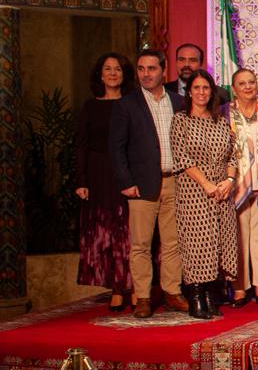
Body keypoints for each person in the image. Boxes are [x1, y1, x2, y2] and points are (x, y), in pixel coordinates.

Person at [109, 49, 185, 319]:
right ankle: (142, 297)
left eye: (151, 68)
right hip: (141, 186)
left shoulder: (178, 102)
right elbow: (116, 149)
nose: (146, 74)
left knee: (173, 242)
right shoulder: (127, 104)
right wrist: (126, 182)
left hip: (174, 181)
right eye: (141, 69)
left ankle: (172, 292)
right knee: (140, 244)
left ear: (163, 71)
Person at [170, 70, 238, 319]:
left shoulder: (221, 121)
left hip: (222, 191)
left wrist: (229, 180)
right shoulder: (181, 120)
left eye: (205, 88)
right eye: (196, 88)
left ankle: (211, 295)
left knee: (219, 243)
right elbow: (182, 157)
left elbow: (233, 154)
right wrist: (207, 184)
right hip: (194, 192)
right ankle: (196, 298)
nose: (201, 92)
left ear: (212, 92)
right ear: (189, 92)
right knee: (198, 244)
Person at [76, 52, 135, 311]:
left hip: (127, 172)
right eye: (108, 69)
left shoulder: (133, 104)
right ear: (100, 74)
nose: (113, 73)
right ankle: (116, 288)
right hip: (99, 175)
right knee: (106, 233)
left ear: (125, 75)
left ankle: (134, 286)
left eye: (118, 69)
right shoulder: (91, 106)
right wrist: (81, 181)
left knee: (130, 232)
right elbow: (81, 146)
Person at [227, 68, 258, 308]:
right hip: (235, 185)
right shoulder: (225, 113)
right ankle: (239, 289)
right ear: (234, 88)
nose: (248, 87)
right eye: (242, 83)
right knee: (238, 238)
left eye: (252, 82)